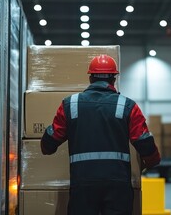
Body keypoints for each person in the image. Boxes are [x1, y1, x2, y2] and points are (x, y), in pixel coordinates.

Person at [40, 54, 161, 215]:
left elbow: (48, 145)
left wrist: (46, 140)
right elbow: (144, 141)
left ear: (91, 78)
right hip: (118, 185)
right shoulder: (127, 105)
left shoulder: (70, 104)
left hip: (82, 184)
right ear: (114, 79)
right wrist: (152, 161)